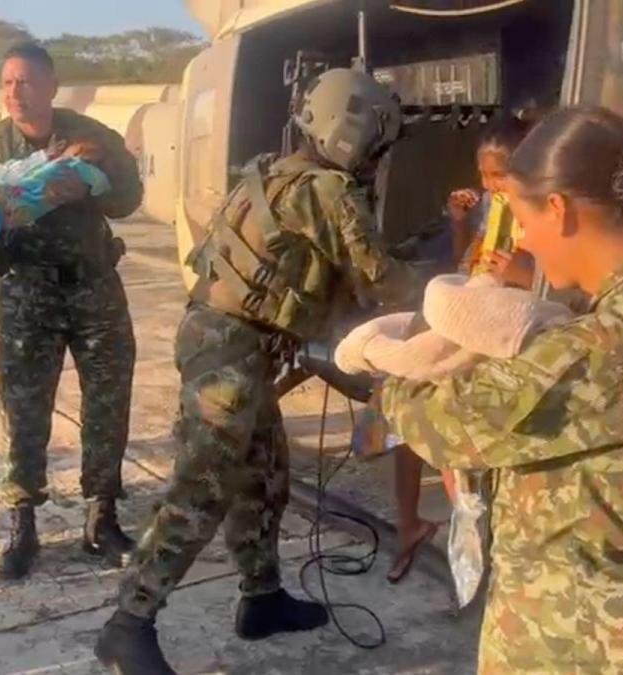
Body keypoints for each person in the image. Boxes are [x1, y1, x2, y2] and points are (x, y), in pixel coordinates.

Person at [94, 68, 425, 675]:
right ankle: (128, 624)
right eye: (378, 144)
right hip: (231, 348)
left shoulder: (274, 170)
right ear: (353, 136)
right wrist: (455, 281)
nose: (378, 158)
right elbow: (382, 281)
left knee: (265, 477)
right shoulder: (328, 191)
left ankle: (262, 597)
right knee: (203, 487)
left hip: (233, 341)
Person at [380, 106, 623, 673]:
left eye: (522, 216)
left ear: (559, 210)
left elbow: (448, 426)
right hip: (598, 622)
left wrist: (392, 369)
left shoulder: (615, 339)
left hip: (581, 638)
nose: (525, 241)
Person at [0, 43, 144, 579]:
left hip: (93, 292)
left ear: (52, 86)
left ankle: (100, 516)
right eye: (9, 83)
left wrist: (88, 183)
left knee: (107, 402)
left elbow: (128, 199)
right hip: (25, 297)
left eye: (28, 82)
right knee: (23, 410)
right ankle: (23, 522)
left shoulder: (90, 138)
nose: (16, 93)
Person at [386, 114, 535, 584]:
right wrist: (459, 223)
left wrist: (520, 275)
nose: (490, 184)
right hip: (475, 314)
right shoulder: (491, 207)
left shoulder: (538, 210)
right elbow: (467, 263)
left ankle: (480, 538)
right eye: (485, 174)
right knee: (406, 402)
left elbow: (553, 284)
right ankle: (410, 523)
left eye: (499, 174)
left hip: (511, 329)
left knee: (456, 424)